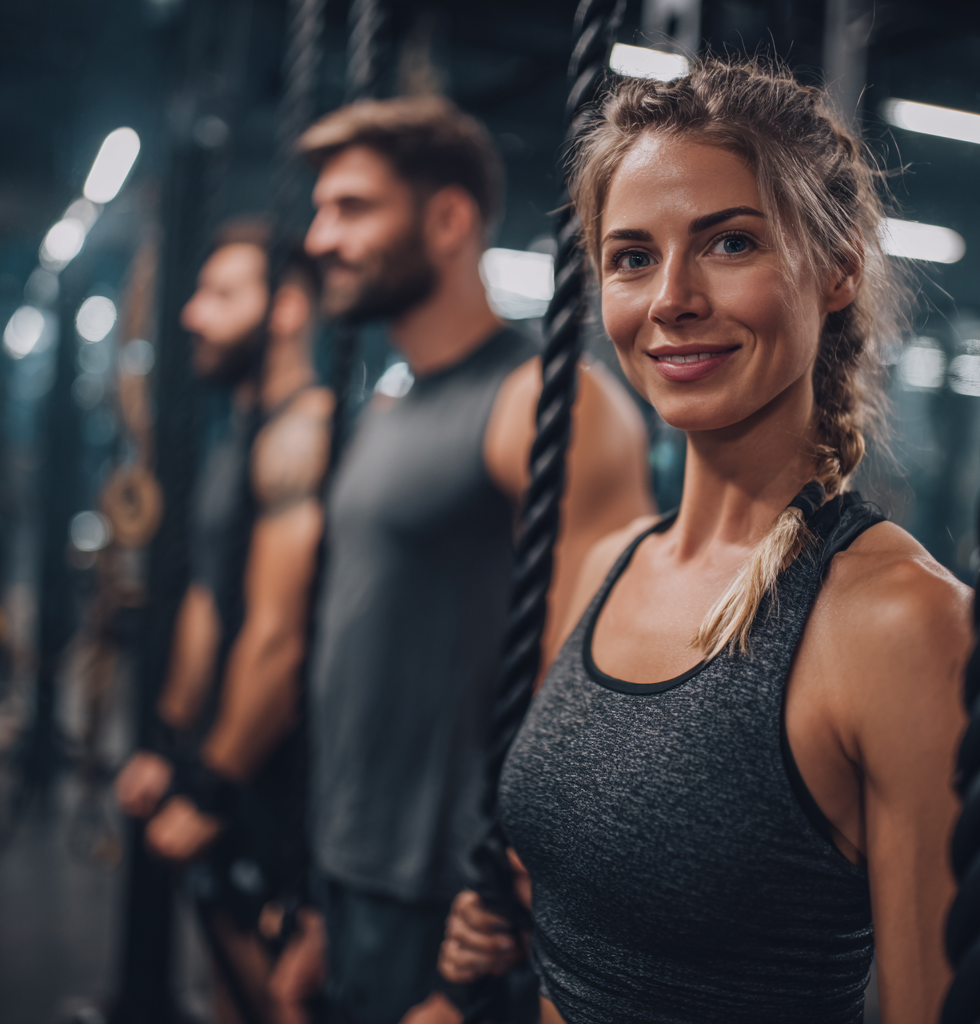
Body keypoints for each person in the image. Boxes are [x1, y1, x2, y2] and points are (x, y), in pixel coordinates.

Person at [440, 57, 973, 1024]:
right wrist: (519, 920)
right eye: (632, 257)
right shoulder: (607, 564)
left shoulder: (904, 623)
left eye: (730, 243)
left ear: (839, 268)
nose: (670, 298)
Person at [295, 95, 654, 1024]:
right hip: (353, 872)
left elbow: (600, 687)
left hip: (461, 903)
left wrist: (494, 929)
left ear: (449, 219)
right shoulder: (389, 407)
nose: (321, 237)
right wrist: (320, 894)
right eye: (321, 210)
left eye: (352, 208)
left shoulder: (547, 403)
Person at [115, 221, 334, 1023]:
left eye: (222, 295)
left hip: (280, 776)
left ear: (286, 310)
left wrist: (210, 789)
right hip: (223, 759)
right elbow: (209, 604)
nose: (193, 315)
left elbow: (280, 639)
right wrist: (171, 750)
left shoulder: (307, 436)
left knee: (273, 993)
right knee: (226, 986)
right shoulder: (241, 436)